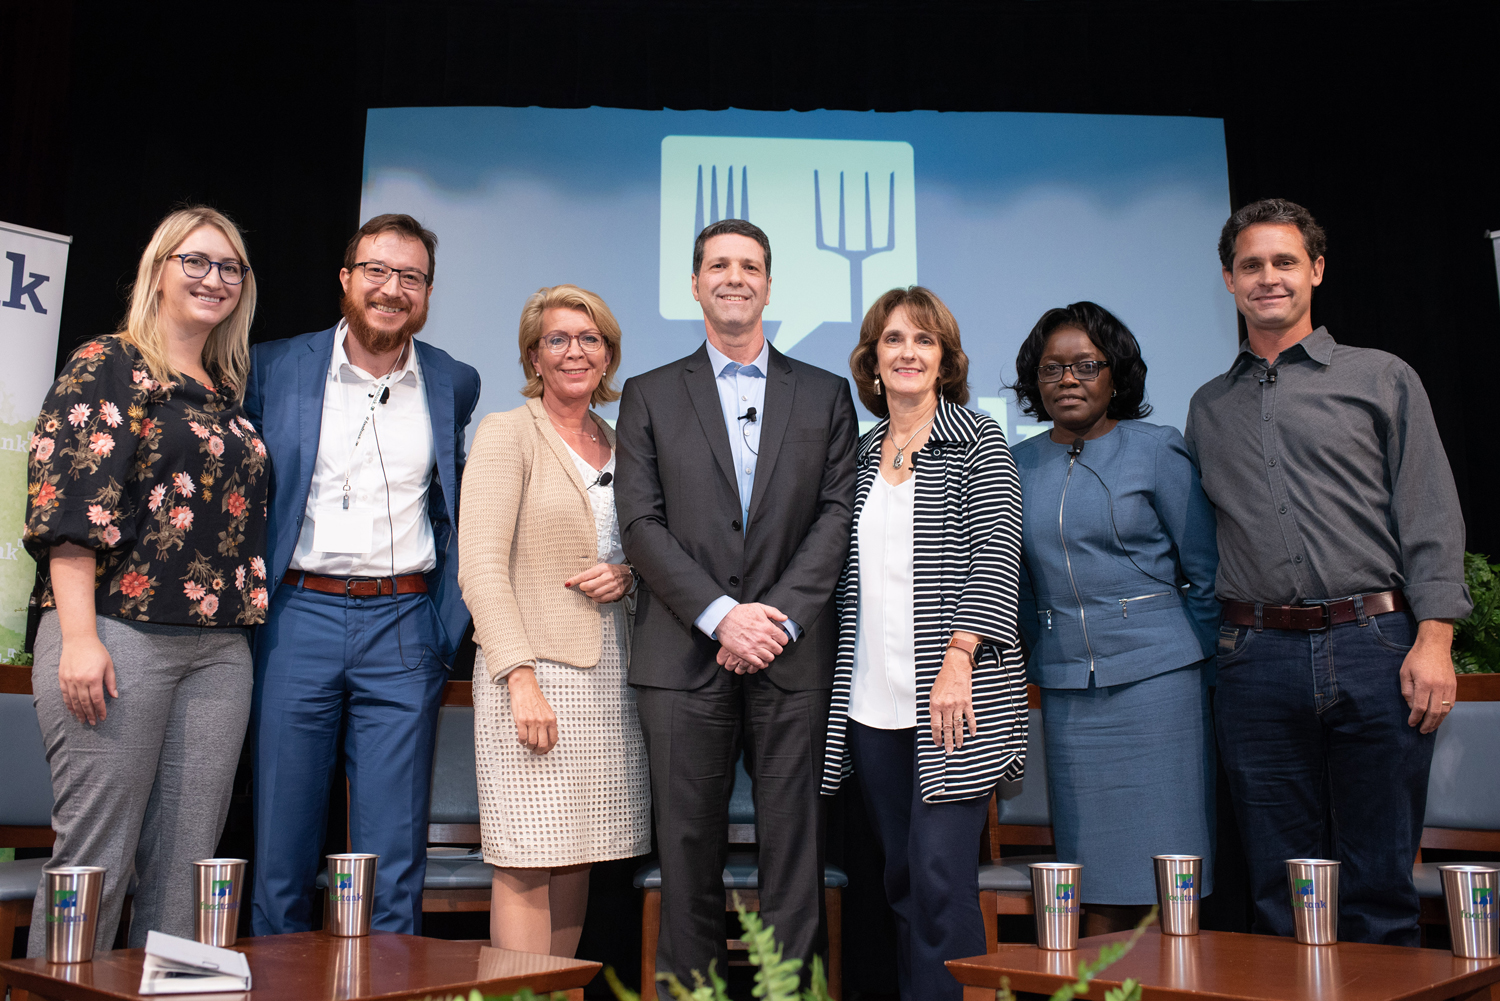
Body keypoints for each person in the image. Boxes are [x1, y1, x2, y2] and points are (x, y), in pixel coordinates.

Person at [1186, 198, 1470, 946]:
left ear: (1316, 269)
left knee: (1380, 882)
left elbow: (1432, 512)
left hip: (1376, 645)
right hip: (1256, 659)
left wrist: (1434, 637)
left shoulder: (1382, 377)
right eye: (1252, 265)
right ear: (1228, 280)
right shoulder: (1208, 407)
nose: (1268, 277)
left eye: (1285, 261)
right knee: (1281, 891)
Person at [614, 218, 857, 984]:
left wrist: (772, 617)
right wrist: (723, 615)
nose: (734, 277)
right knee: (687, 853)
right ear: (694, 284)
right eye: (718, 264)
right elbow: (640, 524)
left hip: (793, 655)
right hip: (683, 655)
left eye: (750, 265)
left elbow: (836, 516)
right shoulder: (648, 394)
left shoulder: (825, 393)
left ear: (769, 284)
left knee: (795, 854)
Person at [23, 206, 268, 954]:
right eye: (194, 261)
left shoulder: (227, 391)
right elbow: (71, 508)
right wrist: (77, 638)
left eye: (229, 267)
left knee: (187, 869)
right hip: (116, 636)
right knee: (94, 859)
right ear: (158, 270)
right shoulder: (109, 362)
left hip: (220, 652)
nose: (213, 278)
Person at [245, 213, 481, 935]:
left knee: (393, 848)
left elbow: (454, 507)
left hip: (405, 624)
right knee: (281, 837)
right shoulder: (272, 366)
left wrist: (447, 627)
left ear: (429, 293)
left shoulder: (453, 381)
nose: (391, 288)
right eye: (376, 270)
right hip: (297, 615)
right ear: (346, 279)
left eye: (410, 276)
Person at [821, 287, 1027, 1001]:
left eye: (924, 340)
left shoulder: (978, 438)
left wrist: (959, 658)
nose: (908, 352)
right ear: (872, 359)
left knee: (941, 877)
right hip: (874, 703)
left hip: (955, 696)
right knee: (903, 879)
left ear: (945, 358)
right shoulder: (859, 450)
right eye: (894, 339)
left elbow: (997, 554)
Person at [1010, 301, 1220, 935]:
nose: (1067, 379)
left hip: (1162, 689)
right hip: (1071, 691)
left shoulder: (1157, 450)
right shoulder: (1016, 464)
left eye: (1085, 365)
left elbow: (1206, 576)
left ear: (1116, 375)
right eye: (1052, 369)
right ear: (1033, 381)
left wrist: (1203, 671)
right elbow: (1013, 587)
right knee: (1090, 871)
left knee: (1170, 869)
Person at [457, 285, 650, 955]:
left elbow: (639, 553)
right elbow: (479, 567)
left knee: (579, 853)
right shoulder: (508, 433)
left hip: (611, 679)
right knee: (525, 853)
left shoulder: (623, 441)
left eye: (589, 338)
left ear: (609, 355)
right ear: (533, 356)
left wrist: (626, 574)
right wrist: (518, 676)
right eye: (558, 339)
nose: (575, 351)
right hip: (532, 676)